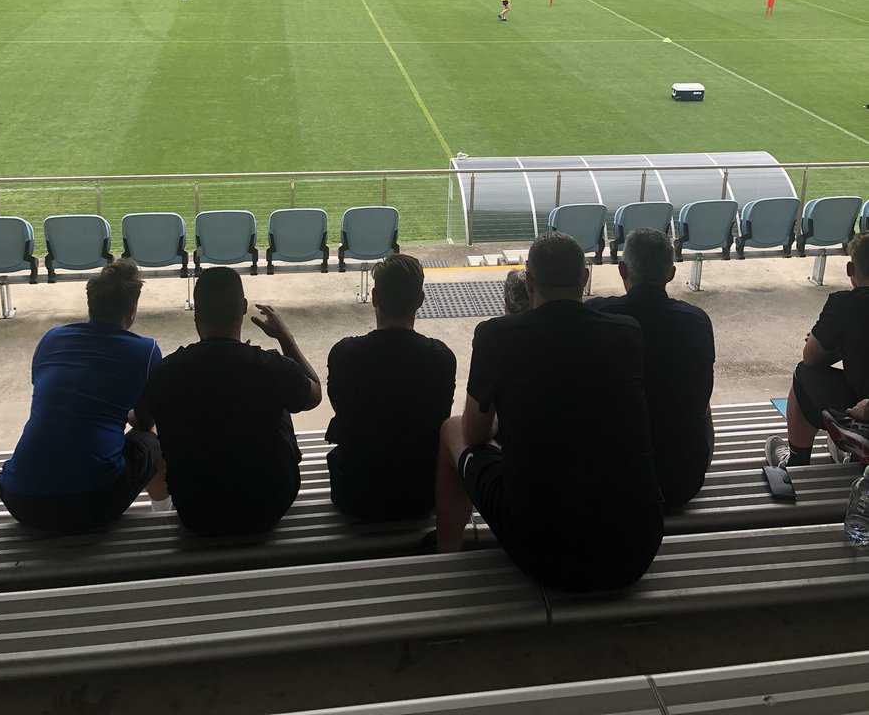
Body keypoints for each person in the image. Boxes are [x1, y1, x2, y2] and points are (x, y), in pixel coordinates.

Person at [435, 232, 663, 592]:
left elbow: (475, 435)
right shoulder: (627, 332)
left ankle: (445, 555)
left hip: (545, 553)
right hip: (638, 544)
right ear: (584, 277)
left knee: (452, 429)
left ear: (528, 282)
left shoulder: (498, 335)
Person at [141, 267, 321, 536]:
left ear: (196, 312)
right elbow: (315, 393)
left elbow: (144, 423)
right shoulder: (269, 366)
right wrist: (285, 337)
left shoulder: (167, 370)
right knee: (277, 393)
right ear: (244, 308)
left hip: (195, 511)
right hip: (269, 504)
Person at [0, 260, 163, 533]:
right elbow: (144, 422)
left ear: (91, 305)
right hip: (91, 501)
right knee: (153, 437)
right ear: (131, 311)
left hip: (18, 498)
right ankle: (163, 512)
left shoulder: (52, 338)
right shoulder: (146, 350)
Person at [586, 229, 715, 510]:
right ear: (671, 273)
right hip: (681, 481)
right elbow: (700, 399)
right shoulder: (696, 321)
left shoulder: (595, 314)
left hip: (608, 480)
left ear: (622, 269)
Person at [326, 255, 456, 521]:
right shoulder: (441, 358)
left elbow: (342, 409)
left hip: (354, 494)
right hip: (420, 496)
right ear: (420, 300)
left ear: (374, 297)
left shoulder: (344, 354)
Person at [767, 232, 869, 470]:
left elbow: (811, 358)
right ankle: (851, 454)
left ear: (850, 269)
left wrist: (831, 342)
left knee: (804, 374)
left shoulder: (845, 304)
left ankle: (796, 460)